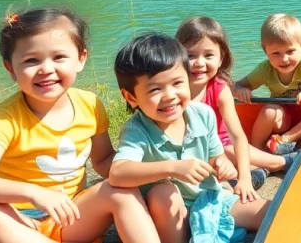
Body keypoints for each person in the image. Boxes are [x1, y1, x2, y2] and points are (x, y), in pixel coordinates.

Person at [0, 8, 159, 243]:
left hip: (70, 216)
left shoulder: (90, 105)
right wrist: (33, 193)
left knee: (121, 192)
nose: (46, 69)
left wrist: (155, 165)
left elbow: (104, 162)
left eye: (59, 57)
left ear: (81, 59)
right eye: (31, 60)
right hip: (18, 221)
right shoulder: (6, 118)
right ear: (11, 68)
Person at [110, 33, 269, 243]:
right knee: (162, 193)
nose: (169, 95)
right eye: (155, 89)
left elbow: (216, 158)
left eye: (177, 83)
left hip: (210, 200)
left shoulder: (202, 114)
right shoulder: (136, 130)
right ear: (130, 97)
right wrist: (174, 167)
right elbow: (117, 173)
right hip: (171, 214)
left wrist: (222, 166)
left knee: (270, 212)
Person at [175, 17, 298, 189]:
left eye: (208, 55)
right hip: (196, 150)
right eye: (190, 55)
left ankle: (282, 162)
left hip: (222, 144)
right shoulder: (172, 91)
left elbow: (237, 136)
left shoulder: (219, 89)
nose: (199, 63)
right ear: (177, 56)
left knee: (226, 151)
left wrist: (245, 180)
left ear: (220, 58)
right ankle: (261, 170)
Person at [232, 14, 301, 155]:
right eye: (276, 53)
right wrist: (242, 90)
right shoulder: (265, 69)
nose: (284, 59)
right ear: (265, 51)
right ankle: (256, 151)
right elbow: (236, 86)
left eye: (290, 51)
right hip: (284, 119)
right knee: (269, 110)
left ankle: (287, 140)